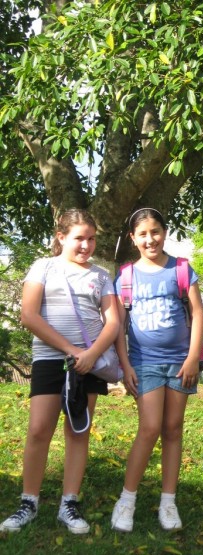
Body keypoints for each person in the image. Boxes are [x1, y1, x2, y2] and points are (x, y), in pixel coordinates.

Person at [0, 209, 119, 535]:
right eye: (79, 238)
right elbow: (29, 315)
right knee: (39, 429)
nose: (86, 245)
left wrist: (90, 355)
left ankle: (69, 504)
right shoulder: (43, 267)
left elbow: (113, 322)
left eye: (91, 238)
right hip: (51, 360)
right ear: (61, 237)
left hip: (88, 364)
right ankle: (28, 502)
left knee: (78, 431)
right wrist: (71, 350)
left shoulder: (101, 275)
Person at [111, 208, 203, 532]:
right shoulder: (126, 277)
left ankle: (168, 502)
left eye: (155, 232)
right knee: (150, 428)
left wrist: (192, 357)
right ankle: (127, 500)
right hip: (144, 362)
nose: (150, 239)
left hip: (180, 363)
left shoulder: (181, 269)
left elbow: (198, 313)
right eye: (143, 234)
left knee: (173, 429)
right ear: (133, 238)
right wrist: (125, 366)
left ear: (164, 233)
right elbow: (119, 326)